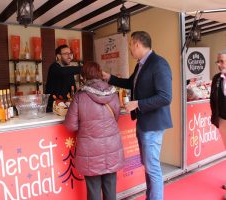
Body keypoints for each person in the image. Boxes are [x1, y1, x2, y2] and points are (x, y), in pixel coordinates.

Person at [103, 31, 172, 200]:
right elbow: (130, 83)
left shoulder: (159, 63)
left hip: (153, 125)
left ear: (137, 44)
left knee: (152, 168)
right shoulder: (140, 64)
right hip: (143, 123)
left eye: (130, 45)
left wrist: (138, 104)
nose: (130, 50)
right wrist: (109, 77)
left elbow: (165, 97)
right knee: (148, 167)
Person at [64, 61, 124, 200]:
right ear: (99, 73)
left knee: (93, 190)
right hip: (111, 146)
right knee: (110, 187)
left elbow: (71, 125)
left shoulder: (80, 95)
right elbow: (116, 117)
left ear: (84, 76)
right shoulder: (113, 93)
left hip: (90, 149)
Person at [209, 50, 226, 200]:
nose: (220, 65)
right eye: (218, 62)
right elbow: (212, 99)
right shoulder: (216, 79)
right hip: (222, 120)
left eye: (222, 61)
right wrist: (215, 117)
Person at [45, 44, 81, 112]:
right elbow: (62, 72)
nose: (69, 56)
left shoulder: (68, 70)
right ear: (58, 56)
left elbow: (72, 89)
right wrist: (85, 68)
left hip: (66, 107)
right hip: (53, 109)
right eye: (66, 54)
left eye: (70, 54)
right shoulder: (54, 67)